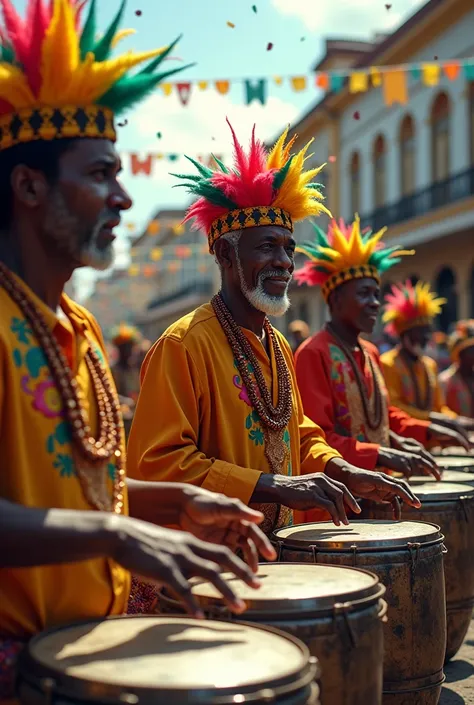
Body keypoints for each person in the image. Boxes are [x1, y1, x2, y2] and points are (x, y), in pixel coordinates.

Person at [0, 3, 274, 699]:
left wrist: (175, 499)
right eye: (101, 174)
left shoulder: (80, 328)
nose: (123, 196)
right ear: (29, 186)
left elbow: (89, 492)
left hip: (91, 654)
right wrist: (116, 537)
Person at [127, 120, 420, 541]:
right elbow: (157, 464)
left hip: (277, 553)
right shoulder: (183, 344)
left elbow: (298, 434)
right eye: (267, 246)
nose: (285, 261)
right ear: (226, 253)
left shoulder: (278, 343)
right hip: (208, 566)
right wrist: (272, 485)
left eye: (289, 248)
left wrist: (344, 468)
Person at [293, 217, 466, 480]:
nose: (375, 303)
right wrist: (380, 453)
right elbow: (314, 440)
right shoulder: (312, 353)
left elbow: (382, 419)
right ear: (336, 299)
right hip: (338, 502)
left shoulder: (370, 352)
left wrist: (423, 432)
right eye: (364, 294)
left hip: (380, 488)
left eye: (376, 294)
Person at [380, 281, 474, 436]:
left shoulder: (430, 365)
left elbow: (439, 408)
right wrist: (433, 418)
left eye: (428, 331)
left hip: (430, 442)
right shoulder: (387, 363)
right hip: (401, 444)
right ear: (404, 334)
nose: (426, 337)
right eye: (420, 331)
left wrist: (458, 421)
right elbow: (393, 407)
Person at [439, 320, 474, 419]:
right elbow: (441, 409)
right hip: (456, 432)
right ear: (460, 354)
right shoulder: (445, 381)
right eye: (471, 350)